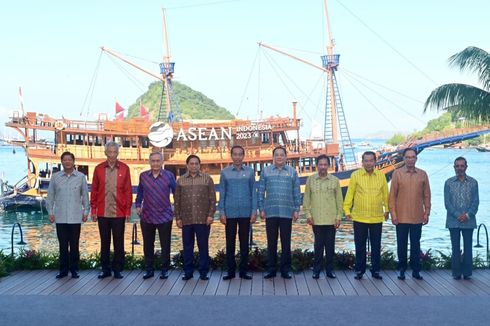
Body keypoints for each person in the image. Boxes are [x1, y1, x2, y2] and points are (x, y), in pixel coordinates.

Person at [343, 151, 389, 280]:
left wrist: (388, 210)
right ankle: (359, 270)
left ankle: (376, 271)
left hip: (376, 217)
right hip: (359, 217)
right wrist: (347, 210)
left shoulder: (381, 176)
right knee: (360, 246)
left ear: (375, 162)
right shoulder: (355, 175)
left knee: (376, 246)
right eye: (366, 160)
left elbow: (386, 194)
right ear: (362, 162)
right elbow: (350, 194)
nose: (368, 163)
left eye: (371, 160)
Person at [90, 141, 132, 279]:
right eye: (110, 152)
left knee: (119, 242)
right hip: (102, 212)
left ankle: (118, 269)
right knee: (104, 242)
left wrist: (127, 212)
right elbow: (94, 190)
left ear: (118, 153)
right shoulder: (99, 169)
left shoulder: (125, 168)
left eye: (115, 152)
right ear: (106, 153)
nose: (112, 154)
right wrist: (93, 211)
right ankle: (105, 269)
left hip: (119, 212)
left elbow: (128, 191)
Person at [258, 146, 301, 279]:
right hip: (270, 212)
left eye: (282, 155)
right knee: (271, 242)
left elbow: (296, 192)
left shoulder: (292, 172)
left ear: (286, 157)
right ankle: (271, 270)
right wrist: (261, 208)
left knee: (286, 242)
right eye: (277, 155)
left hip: (287, 212)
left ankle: (285, 270)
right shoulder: (265, 172)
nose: (279, 157)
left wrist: (296, 209)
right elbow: (260, 191)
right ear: (273, 157)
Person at [389, 148, 431, 281]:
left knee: (415, 244)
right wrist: (393, 214)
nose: (410, 159)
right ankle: (401, 269)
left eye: (412, 157)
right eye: (407, 157)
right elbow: (392, 197)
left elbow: (427, 195)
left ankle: (416, 270)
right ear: (404, 159)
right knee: (401, 245)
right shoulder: (397, 174)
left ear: (416, 159)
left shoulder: (423, 174)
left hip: (417, 216)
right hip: (400, 217)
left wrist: (427, 212)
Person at [46, 151, 89, 279]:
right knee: (63, 245)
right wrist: (50, 212)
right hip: (60, 217)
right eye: (65, 160)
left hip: (75, 216)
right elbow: (50, 196)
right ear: (62, 162)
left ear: (73, 161)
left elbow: (85, 196)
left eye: (70, 159)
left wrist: (86, 211)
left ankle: (75, 269)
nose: (67, 162)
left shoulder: (81, 177)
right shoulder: (55, 177)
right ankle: (63, 270)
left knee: (75, 245)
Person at [174, 155, 216, 281]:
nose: (194, 166)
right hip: (186, 219)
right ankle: (188, 272)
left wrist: (210, 215)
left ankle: (203, 272)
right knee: (187, 247)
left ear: (199, 165)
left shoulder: (207, 179)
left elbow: (213, 199)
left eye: (196, 163)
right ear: (187, 165)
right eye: (191, 163)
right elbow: (177, 201)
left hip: (203, 219)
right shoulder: (180, 180)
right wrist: (178, 217)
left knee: (203, 247)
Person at [135, 152, 176, 280]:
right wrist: (137, 205)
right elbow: (140, 193)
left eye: (158, 161)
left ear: (162, 161)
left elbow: (176, 193)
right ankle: (149, 270)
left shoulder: (169, 176)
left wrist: (176, 208)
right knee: (148, 245)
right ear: (149, 162)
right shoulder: (143, 176)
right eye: (153, 161)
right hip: (147, 216)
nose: (155, 163)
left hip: (165, 216)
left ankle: (164, 270)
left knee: (165, 245)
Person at [219, 145, 257, 280]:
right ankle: (230, 272)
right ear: (231, 156)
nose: (237, 157)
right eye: (235, 154)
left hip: (246, 213)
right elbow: (222, 194)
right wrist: (221, 212)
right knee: (230, 244)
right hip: (229, 213)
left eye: (240, 154)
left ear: (243, 156)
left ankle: (243, 271)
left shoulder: (250, 172)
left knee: (244, 244)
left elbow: (254, 192)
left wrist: (254, 211)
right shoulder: (225, 173)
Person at [303, 154, 342, 279]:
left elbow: (339, 201)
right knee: (318, 246)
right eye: (320, 164)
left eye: (325, 164)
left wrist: (338, 217)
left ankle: (330, 270)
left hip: (331, 220)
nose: (323, 167)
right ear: (317, 166)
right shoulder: (311, 180)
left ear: (328, 166)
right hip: (317, 220)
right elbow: (307, 199)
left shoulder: (335, 181)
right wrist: (308, 215)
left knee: (330, 246)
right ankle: (316, 270)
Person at [444, 157, 479, 280]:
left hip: (469, 220)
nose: (459, 168)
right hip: (453, 221)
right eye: (457, 166)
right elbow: (447, 203)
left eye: (462, 166)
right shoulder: (448, 183)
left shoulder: (473, 182)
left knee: (468, 247)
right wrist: (457, 215)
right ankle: (456, 273)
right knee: (455, 247)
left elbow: (476, 202)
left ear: (466, 167)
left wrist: (467, 215)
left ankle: (467, 273)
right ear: (454, 168)